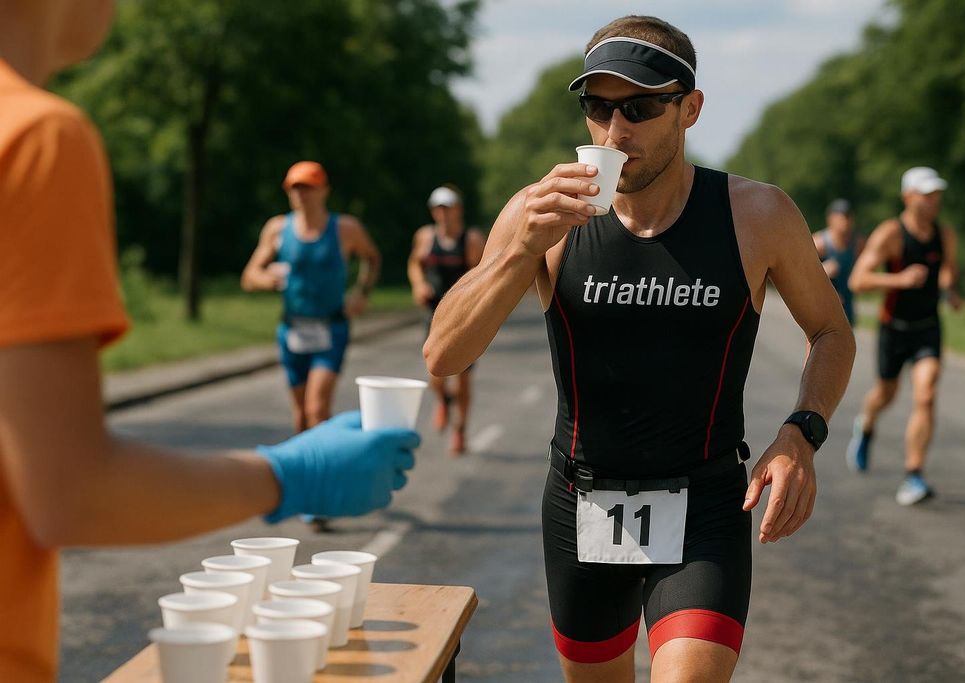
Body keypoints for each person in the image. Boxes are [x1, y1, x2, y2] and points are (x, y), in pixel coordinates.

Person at [424, 15, 855, 683]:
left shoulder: (758, 214)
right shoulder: (542, 211)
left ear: (690, 109)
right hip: (580, 502)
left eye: (640, 108)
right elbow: (442, 355)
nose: (614, 133)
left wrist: (802, 432)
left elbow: (831, 330)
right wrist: (518, 251)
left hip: (705, 502)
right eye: (598, 108)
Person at [0, 3, 417, 681]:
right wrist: (289, 473)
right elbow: (68, 491)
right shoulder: (35, 136)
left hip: (327, 328)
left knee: (313, 401)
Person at [846, 167, 961, 505]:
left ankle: (914, 476)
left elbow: (949, 268)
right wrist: (899, 280)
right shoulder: (891, 234)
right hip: (893, 328)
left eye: (937, 194)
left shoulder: (945, 234)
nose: (933, 201)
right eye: (926, 194)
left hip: (927, 327)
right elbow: (858, 280)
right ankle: (865, 426)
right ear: (907, 196)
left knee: (925, 395)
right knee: (886, 392)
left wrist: (949, 287)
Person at [242, 161, 382, 434]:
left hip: (331, 328)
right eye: (294, 188)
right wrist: (266, 279)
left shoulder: (345, 229)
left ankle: (323, 471)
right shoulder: (277, 229)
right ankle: (306, 470)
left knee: (317, 409)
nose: (300, 194)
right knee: (300, 415)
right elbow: (249, 276)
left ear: (324, 191)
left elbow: (373, 257)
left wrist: (361, 292)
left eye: (307, 187)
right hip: (292, 329)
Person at [407, 185, 485, 455]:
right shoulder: (425, 236)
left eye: (448, 207)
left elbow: (483, 272)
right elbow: (415, 263)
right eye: (438, 208)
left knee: (463, 378)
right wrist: (418, 284)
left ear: (458, 209)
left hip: (463, 316)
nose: (443, 213)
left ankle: (460, 430)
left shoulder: (471, 239)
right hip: (434, 314)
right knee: (435, 373)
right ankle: (442, 399)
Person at [812, 198, 863, 325]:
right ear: (830, 218)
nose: (846, 221)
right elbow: (798, 276)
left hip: (847, 306)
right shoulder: (819, 243)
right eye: (842, 217)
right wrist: (821, 271)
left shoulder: (858, 243)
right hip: (822, 309)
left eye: (849, 216)